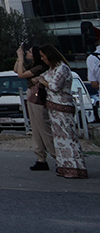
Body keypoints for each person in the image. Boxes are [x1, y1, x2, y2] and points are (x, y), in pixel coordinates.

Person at [38, 45, 88, 178]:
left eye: (43, 56)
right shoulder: (53, 69)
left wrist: (44, 82)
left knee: (68, 137)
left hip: (62, 107)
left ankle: (75, 168)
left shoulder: (62, 68)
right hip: (54, 108)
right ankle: (64, 167)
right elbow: (40, 78)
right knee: (59, 139)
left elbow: (54, 86)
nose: (42, 59)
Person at [15, 44, 54, 171]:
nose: (27, 53)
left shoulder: (40, 67)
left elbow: (21, 74)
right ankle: (40, 157)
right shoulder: (33, 65)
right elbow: (16, 70)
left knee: (43, 128)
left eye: (30, 52)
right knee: (36, 128)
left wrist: (21, 58)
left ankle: (57, 156)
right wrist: (19, 58)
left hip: (39, 97)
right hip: (33, 95)